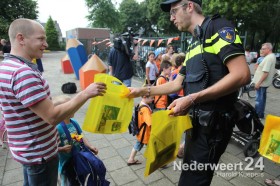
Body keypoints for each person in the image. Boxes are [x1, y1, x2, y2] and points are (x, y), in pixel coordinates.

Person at [127, 0, 251, 185]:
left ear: (190, 6)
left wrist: (192, 98)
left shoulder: (218, 27)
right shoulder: (193, 43)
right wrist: (140, 90)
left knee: (192, 181)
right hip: (195, 125)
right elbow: (177, 83)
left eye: (174, 11)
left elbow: (242, 74)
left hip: (213, 126)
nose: (171, 18)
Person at [0, 18, 106, 186]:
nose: (46, 43)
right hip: (39, 154)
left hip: (26, 151)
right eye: (40, 39)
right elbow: (52, 116)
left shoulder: (6, 66)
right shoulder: (23, 73)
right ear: (21, 38)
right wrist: (86, 93)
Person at [53, 95, 98, 186]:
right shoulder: (56, 128)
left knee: (78, 178)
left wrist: (89, 146)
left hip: (78, 158)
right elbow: (52, 148)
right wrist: (62, 149)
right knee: (67, 181)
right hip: (65, 163)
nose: (75, 108)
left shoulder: (73, 122)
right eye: (71, 106)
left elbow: (79, 136)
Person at [127, 93, 154, 166]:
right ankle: (155, 161)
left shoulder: (140, 104)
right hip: (146, 133)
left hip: (141, 132)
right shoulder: (145, 109)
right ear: (145, 97)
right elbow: (150, 123)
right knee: (152, 146)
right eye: (152, 98)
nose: (153, 99)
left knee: (138, 145)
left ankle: (131, 159)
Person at [252, 43, 276, 119]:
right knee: (262, 98)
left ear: (269, 49)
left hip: (262, 83)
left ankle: (258, 115)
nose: (261, 50)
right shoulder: (271, 56)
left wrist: (258, 83)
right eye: (261, 48)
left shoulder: (269, 58)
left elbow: (266, 73)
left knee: (259, 100)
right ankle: (260, 114)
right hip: (264, 83)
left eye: (263, 49)